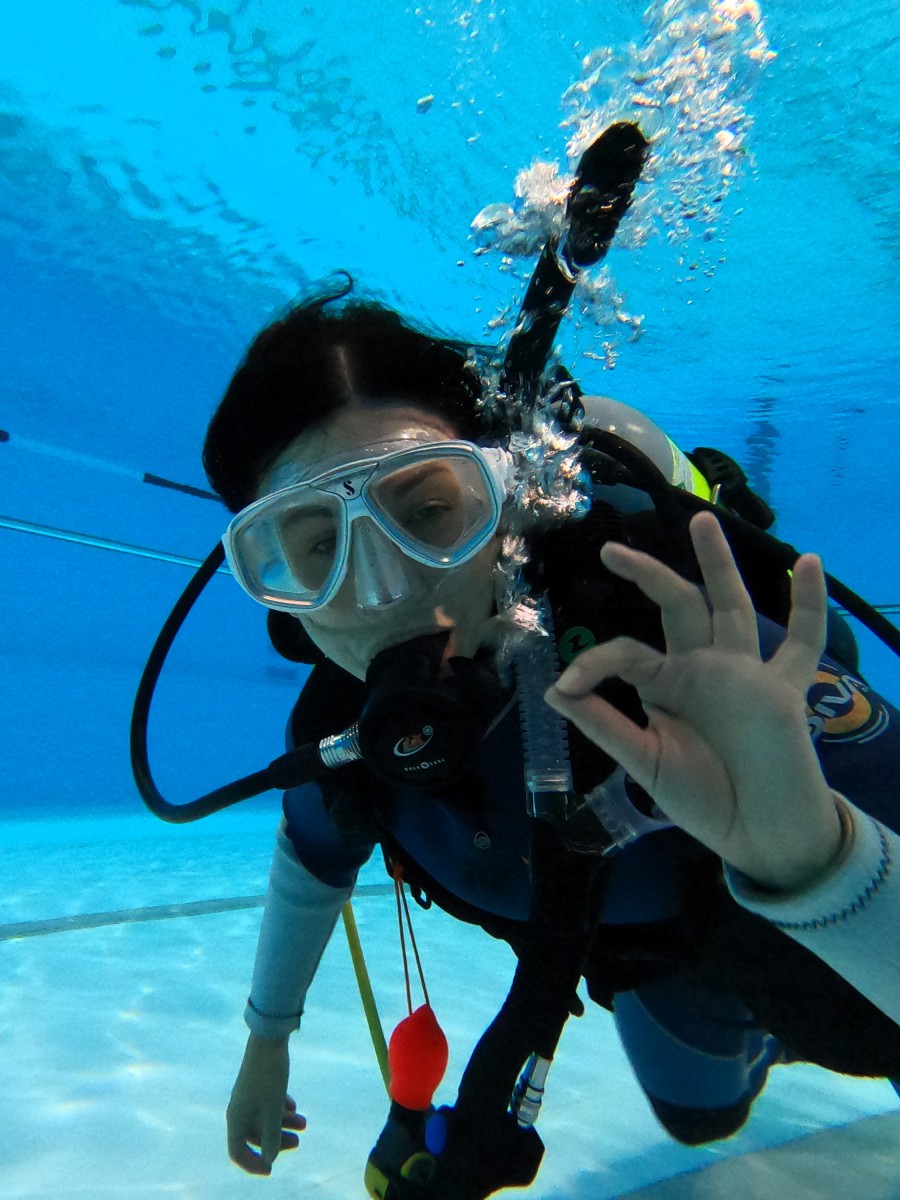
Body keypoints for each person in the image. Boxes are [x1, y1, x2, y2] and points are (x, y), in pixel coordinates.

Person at [202, 281, 900, 1191]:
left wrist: (820, 859)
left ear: (510, 505)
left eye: (428, 512)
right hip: (643, 966)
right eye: (316, 547)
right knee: (700, 1118)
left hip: (778, 940)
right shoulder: (342, 735)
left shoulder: (685, 657)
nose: (385, 590)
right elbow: (312, 858)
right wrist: (265, 1042)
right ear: (277, 592)